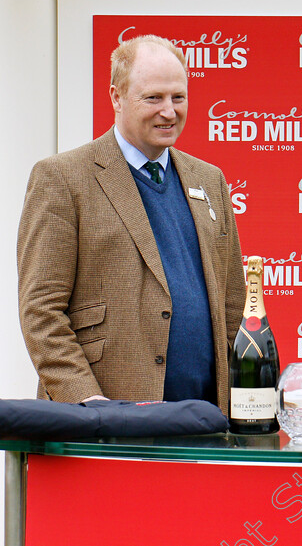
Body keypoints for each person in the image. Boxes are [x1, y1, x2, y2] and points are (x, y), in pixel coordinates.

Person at [17, 35, 245, 411]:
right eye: (153, 98)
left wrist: (249, 404)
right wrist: (89, 402)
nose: (169, 111)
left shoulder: (210, 179)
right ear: (116, 98)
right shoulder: (61, 177)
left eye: (178, 97)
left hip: (206, 420)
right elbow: (41, 311)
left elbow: (235, 305)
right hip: (104, 424)